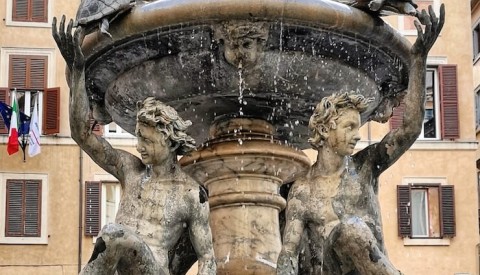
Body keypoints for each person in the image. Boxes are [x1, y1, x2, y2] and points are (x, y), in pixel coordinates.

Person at [277, 4, 444, 275]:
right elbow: (288, 253)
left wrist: (418, 59)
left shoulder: (365, 167)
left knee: (350, 231)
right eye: (349, 126)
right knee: (346, 232)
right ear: (325, 129)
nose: (357, 135)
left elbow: (410, 128)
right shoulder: (302, 191)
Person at [52, 16, 216, 275]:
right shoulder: (130, 170)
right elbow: (81, 135)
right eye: (139, 138)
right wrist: (77, 72)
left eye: (147, 140)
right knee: (114, 237)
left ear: (169, 140)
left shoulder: (191, 194)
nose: (139, 146)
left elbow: (207, 258)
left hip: (152, 271)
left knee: (113, 235)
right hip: (118, 266)